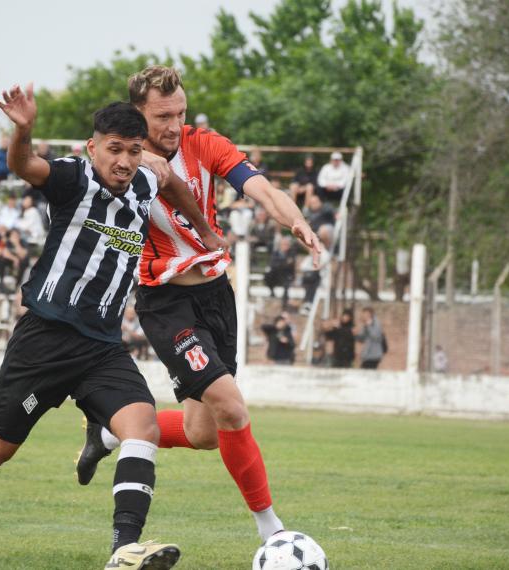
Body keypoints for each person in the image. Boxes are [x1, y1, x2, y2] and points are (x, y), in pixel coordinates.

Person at [0, 84, 226, 570]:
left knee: (143, 427)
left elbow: (171, 182)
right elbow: (24, 166)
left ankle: (123, 550)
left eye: (134, 151)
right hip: (45, 340)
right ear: (93, 148)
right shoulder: (74, 177)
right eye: (115, 149)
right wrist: (23, 130)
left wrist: (204, 229)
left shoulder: (147, 178)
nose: (124, 161)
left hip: (103, 347)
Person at [76, 66, 322, 545]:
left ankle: (108, 432)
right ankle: (273, 532)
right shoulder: (119, 161)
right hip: (164, 301)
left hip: (214, 293)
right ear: (137, 114)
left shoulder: (205, 144)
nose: (174, 124)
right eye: (163, 115)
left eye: (180, 112)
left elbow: (261, 187)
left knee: (204, 431)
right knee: (231, 406)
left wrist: (294, 221)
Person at [264, 238, 297, 309]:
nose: (286, 246)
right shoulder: (275, 253)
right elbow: (273, 265)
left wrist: (280, 264)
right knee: (267, 275)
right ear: (280, 245)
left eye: (287, 244)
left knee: (286, 285)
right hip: (276, 275)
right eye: (284, 244)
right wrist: (285, 263)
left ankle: (284, 306)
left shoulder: (291, 253)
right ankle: (272, 293)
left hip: (286, 276)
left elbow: (290, 265)